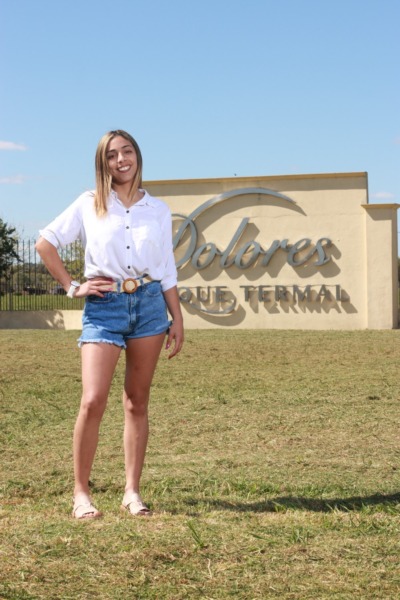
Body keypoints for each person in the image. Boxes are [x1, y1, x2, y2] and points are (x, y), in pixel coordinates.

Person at [36, 130, 184, 519]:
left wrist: (177, 317)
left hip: (150, 307)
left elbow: (166, 268)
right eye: (112, 155)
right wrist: (72, 286)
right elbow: (45, 243)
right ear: (103, 163)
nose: (121, 160)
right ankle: (81, 493)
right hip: (104, 307)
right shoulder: (90, 203)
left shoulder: (158, 209)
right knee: (92, 400)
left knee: (137, 401)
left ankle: (132, 492)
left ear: (137, 156)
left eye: (127, 151)